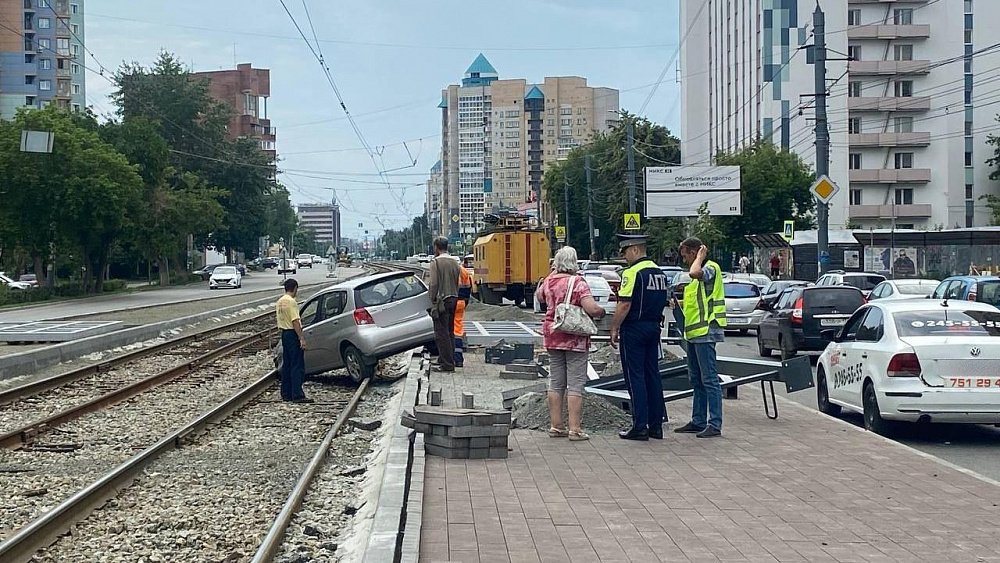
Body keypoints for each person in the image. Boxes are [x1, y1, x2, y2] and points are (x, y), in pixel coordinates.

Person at [535, 246, 605, 441]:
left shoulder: (549, 280)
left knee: (556, 382)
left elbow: (539, 297)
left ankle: (556, 426)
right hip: (573, 337)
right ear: (574, 262)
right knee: (575, 384)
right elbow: (590, 307)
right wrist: (601, 312)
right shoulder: (578, 282)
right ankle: (575, 429)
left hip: (552, 334)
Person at [610, 234, 670, 441]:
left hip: (634, 328)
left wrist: (614, 328)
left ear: (634, 249)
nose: (625, 257)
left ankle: (639, 426)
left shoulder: (632, 272)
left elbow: (624, 304)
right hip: (654, 327)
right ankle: (656, 425)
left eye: (625, 252)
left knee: (635, 377)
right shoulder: (659, 272)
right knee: (652, 375)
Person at [676, 237, 726, 438]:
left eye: (687, 254)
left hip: (706, 332)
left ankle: (714, 423)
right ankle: (698, 420)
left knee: (709, 380)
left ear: (696, 251)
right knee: (696, 379)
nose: (685, 259)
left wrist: (700, 256)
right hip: (694, 333)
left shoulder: (710, 268)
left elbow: (695, 272)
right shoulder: (695, 280)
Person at [427, 236, 461, 372]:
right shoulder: (455, 262)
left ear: (436, 247)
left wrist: (431, 298)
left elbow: (434, 283)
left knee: (441, 333)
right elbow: (457, 281)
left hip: (442, 301)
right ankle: (447, 359)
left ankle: (447, 364)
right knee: (450, 331)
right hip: (454, 298)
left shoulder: (436, 263)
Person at [276, 278, 312, 403]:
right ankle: (297, 394)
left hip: (284, 334)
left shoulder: (280, 301)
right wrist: (301, 338)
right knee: (297, 365)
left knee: (287, 364)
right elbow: (295, 321)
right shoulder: (291, 302)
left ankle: (286, 393)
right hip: (292, 334)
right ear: (295, 288)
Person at [454, 261, 473, 368]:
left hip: (452, 302)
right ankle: (459, 358)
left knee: (451, 329)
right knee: (458, 328)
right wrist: (465, 303)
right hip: (461, 302)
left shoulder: (452, 271)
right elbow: (468, 289)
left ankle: (453, 357)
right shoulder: (465, 272)